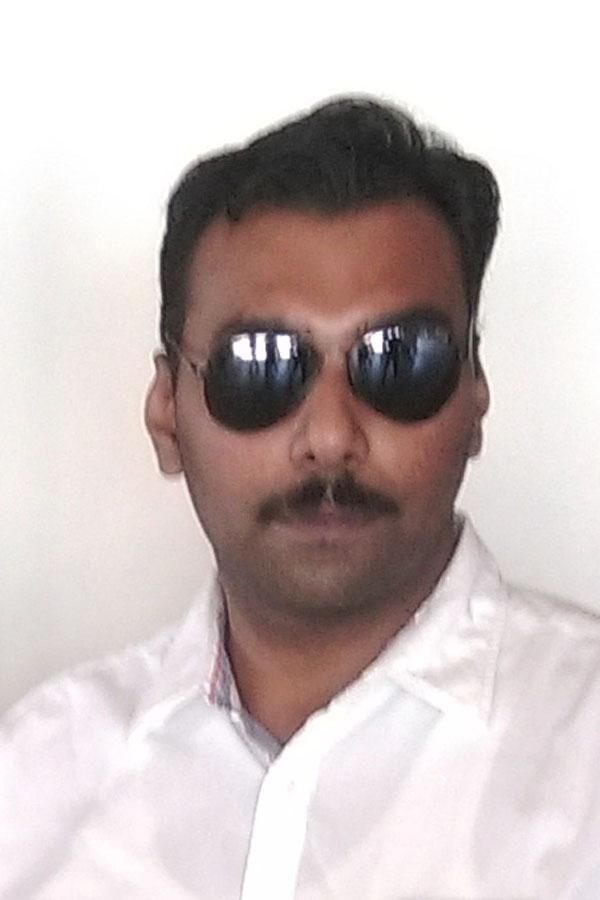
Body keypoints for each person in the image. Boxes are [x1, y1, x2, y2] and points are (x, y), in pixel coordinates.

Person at [2, 97, 599, 900]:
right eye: (260, 365)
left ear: (474, 398)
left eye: (401, 360)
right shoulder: (33, 778)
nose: (330, 437)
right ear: (167, 415)